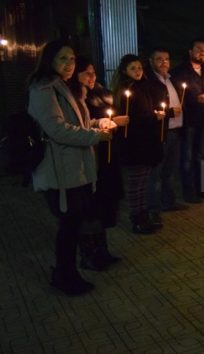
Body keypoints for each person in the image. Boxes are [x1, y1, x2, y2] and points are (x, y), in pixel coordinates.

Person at [28, 39, 113, 295]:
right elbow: (57, 130)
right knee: (68, 226)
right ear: (49, 60)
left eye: (72, 59)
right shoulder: (44, 88)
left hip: (74, 168)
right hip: (60, 170)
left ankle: (67, 272)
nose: (69, 64)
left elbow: (80, 122)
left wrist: (100, 125)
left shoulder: (65, 87)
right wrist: (95, 136)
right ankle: (64, 275)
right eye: (63, 58)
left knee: (73, 224)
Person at [74, 56, 126, 271]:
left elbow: (103, 118)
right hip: (89, 158)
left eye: (93, 72)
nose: (91, 76)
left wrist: (113, 121)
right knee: (89, 208)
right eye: (86, 72)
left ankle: (102, 250)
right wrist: (102, 126)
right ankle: (89, 254)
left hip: (107, 155)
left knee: (104, 203)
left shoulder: (102, 94)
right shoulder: (76, 99)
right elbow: (82, 126)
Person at [110, 54, 166, 234]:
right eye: (133, 68)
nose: (138, 71)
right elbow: (133, 117)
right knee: (136, 183)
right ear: (125, 70)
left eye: (139, 68)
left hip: (146, 142)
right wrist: (153, 117)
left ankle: (143, 215)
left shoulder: (144, 86)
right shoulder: (125, 90)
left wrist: (156, 114)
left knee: (143, 182)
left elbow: (146, 110)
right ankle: (136, 218)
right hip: (134, 144)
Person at [144, 48, 189, 227]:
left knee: (169, 171)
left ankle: (168, 202)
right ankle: (153, 208)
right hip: (161, 132)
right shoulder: (149, 82)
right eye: (159, 59)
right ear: (151, 61)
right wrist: (170, 112)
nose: (164, 62)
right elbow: (151, 107)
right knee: (156, 173)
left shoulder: (171, 80)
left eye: (167, 59)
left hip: (176, 130)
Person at [171, 39, 204, 203]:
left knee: (202, 155)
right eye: (198, 49)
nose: (202, 52)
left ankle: (202, 189)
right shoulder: (180, 72)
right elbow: (178, 95)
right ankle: (189, 191)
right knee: (188, 156)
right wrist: (194, 99)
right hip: (189, 119)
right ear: (190, 51)